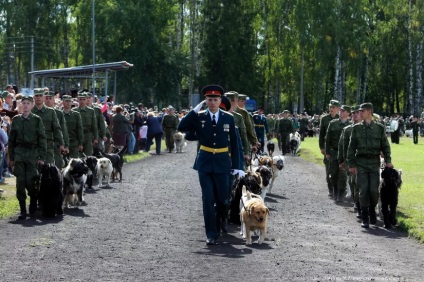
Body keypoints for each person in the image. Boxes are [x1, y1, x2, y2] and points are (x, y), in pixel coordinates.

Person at [178, 85, 242, 245]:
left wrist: (238, 165)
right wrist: (194, 110)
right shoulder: (199, 117)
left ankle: (220, 221)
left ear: (220, 100)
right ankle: (211, 233)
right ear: (205, 101)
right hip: (205, 162)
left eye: (215, 99)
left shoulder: (228, 117)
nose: (212, 102)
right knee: (207, 198)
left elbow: (234, 143)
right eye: (209, 99)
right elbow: (182, 127)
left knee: (222, 200)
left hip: (222, 163)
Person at [347, 103, 393, 228]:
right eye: (359, 111)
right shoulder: (356, 128)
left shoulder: (379, 128)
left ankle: (372, 209)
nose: (360, 113)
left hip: (374, 163)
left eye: (362, 111)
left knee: (374, 190)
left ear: (369, 112)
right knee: (363, 190)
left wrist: (388, 160)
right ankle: (365, 216)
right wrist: (351, 164)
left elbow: (385, 146)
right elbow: (351, 148)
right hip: (360, 163)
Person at [9, 96, 47, 220]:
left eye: (28, 103)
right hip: (19, 152)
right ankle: (22, 210)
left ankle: (33, 201)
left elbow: (42, 138)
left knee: (31, 181)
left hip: (32, 153)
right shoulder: (16, 120)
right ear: (20, 105)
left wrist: (42, 156)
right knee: (20, 182)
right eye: (23, 103)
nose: (25, 105)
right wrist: (12, 157)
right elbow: (12, 140)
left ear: (32, 106)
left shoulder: (37, 120)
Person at [338, 105, 363, 217]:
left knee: (364, 185)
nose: (354, 115)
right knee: (353, 183)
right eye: (353, 113)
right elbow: (342, 146)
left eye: (357, 113)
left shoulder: (366, 129)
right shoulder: (347, 130)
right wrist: (342, 161)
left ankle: (364, 205)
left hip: (365, 162)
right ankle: (357, 203)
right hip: (351, 161)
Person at [325, 105, 351, 201]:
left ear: (348, 113)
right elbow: (327, 139)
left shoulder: (351, 125)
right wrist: (327, 152)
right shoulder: (333, 123)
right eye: (340, 111)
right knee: (333, 174)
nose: (340, 112)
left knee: (343, 175)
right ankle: (335, 191)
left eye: (343, 111)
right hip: (334, 152)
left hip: (346, 154)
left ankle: (340, 194)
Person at [32, 90, 65, 164]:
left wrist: (61, 143)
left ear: (43, 97)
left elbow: (57, 128)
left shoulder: (51, 112)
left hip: (48, 145)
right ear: (34, 97)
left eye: (40, 96)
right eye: (37, 96)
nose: (38, 98)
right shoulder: (30, 111)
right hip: (33, 146)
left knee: (49, 169)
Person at [319, 99, 340, 196]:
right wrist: (322, 147)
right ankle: (330, 188)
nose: (331, 109)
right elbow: (321, 135)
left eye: (333, 107)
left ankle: (338, 189)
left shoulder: (341, 119)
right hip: (328, 148)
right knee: (328, 170)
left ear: (337, 109)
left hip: (339, 149)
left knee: (338, 171)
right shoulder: (324, 119)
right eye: (330, 107)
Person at [44, 91, 69, 169]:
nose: (48, 100)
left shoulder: (59, 113)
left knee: (58, 165)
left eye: (50, 98)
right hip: (44, 143)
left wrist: (65, 145)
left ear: (54, 100)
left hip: (56, 144)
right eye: (46, 98)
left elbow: (63, 130)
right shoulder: (40, 112)